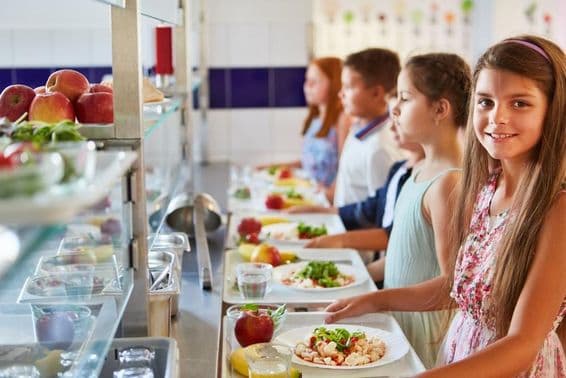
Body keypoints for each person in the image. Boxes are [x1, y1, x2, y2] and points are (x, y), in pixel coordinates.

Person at [325, 35, 566, 377]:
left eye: (520, 103)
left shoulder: (557, 208)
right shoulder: (486, 189)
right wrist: (374, 298)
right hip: (460, 357)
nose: (497, 118)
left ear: (553, 111)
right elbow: (457, 291)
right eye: (485, 102)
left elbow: (523, 344)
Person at [326, 52, 472, 368]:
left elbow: (451, 287)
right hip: (400, 324)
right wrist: (354, 280)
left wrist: (377, 298)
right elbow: (406, 255)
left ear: (440, 109)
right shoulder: (418, 170)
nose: (394, 109)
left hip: (428, 337)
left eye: (405, 98)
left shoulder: (449, 183)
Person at [287, 121, 425, 283]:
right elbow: (368, 209)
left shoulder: (420, 177)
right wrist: (319, 210)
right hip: (386, 271)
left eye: (405, 99)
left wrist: (340, 240)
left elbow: (395, 236)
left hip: (402, 280)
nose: (392, 125)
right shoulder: (399, 168)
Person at [258, 57, 350, 191]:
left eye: (314, 82)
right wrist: (272, 167)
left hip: (326, 200)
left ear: (334, 83)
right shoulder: (315, 119)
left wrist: (327, 197)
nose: (307, 86)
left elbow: (345, 169)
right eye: (307, 81)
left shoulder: (342, 120)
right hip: (308, 192)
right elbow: (308, 164)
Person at [332, 48, 405, 206]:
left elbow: (379, 215)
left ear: (376, 93)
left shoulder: (380, 149)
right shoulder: (357, 126)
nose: (341, 94)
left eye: (349, 87)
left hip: (354, 230)